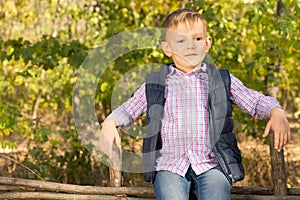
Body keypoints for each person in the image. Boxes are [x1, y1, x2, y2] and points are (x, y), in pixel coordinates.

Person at [100, 8, 290, 200]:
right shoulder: (156, 83)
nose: (190, 46)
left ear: (207, 44)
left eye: (197, 39)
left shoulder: (220, 80)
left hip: (212, 164)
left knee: (217, 193)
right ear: (167, 48)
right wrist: (110, 122)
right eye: (181, 41)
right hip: (169, 166)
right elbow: (128, 109)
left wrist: (276, 111)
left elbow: (255, 101)